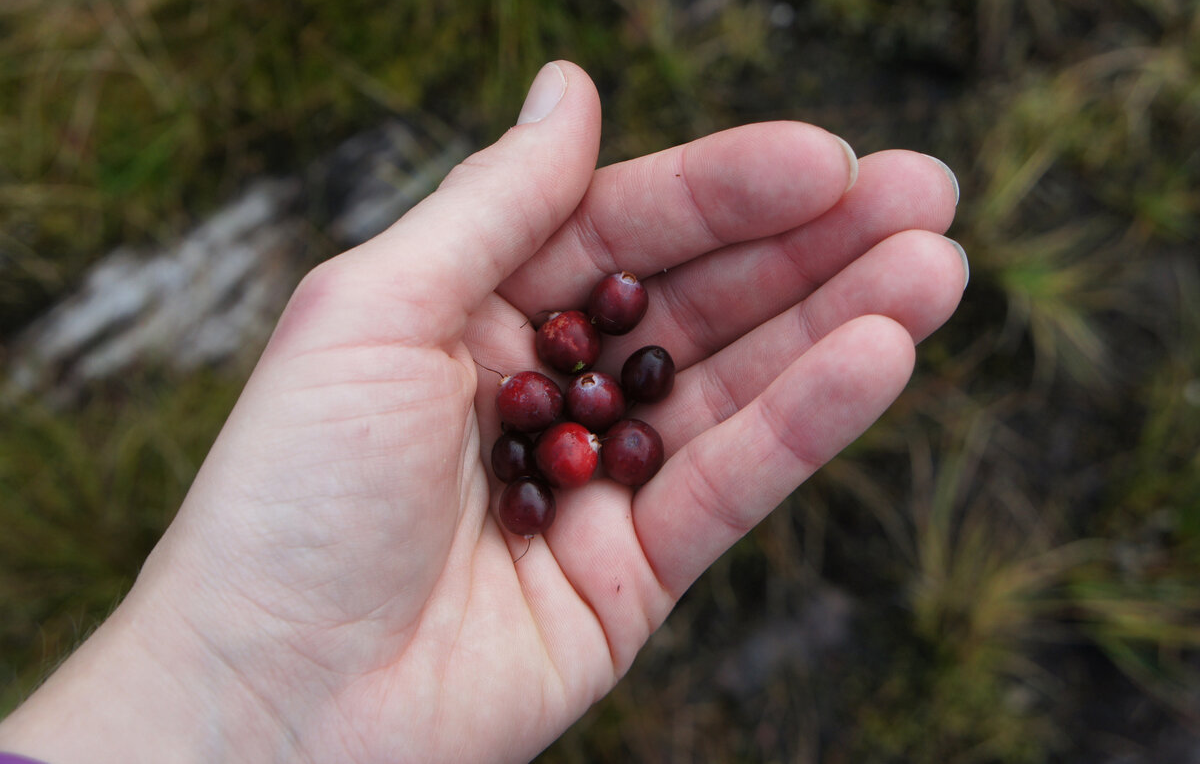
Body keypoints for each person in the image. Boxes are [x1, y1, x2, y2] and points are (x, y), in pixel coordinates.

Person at [0, 61, 966, 763]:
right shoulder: (549, 421)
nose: (580, 408)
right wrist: (254, 690)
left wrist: (243, 701)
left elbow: (591, 419)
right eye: (574, 405)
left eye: (582, 405)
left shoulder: (575, 417)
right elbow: (571, 422)